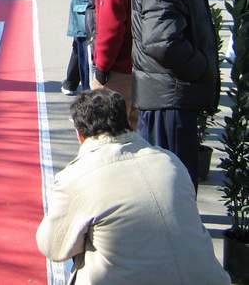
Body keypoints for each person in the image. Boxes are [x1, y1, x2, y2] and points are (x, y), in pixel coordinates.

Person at [36, 88, 230, 285]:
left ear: (80, 134)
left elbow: (53, 246)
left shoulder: (74, 177)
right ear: (127, 122)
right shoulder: (170, 161)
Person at [132, 0, 218, 190]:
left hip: (173, 97)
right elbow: (162, 42)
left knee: (174, 192)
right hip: (167, 102)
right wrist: (203, 68)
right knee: (168, 194)